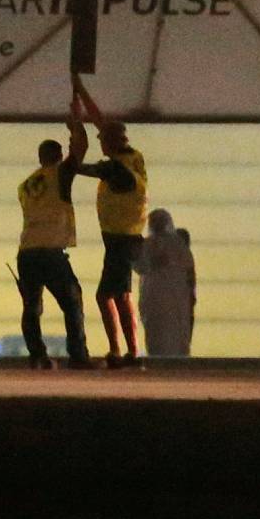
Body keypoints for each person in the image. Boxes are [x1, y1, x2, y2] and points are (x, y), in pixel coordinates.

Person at [71, 95, 146, 366]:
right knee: (123, 295)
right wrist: (81, 92)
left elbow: (83, 168)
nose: (100, 143)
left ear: (111, 143)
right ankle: (133, 352)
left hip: (120, 240)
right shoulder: (133, 157)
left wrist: (71, 157)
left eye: (103, 141)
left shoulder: (116, 168)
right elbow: (102, 123)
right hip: (129, 237)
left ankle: (117, 352)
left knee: (105, 296)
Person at [14, 131, 92, 368]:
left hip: (27, 251)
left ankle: (37, 356)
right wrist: (76, 125)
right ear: (59, 156)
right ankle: (78, 356)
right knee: (72, 302)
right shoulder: (60, 173)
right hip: (50, 251)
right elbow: (81, 148)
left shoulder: (25, 185)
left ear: (40, 158)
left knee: (32, 307)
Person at [139, 208, 195, 358]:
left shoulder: (147, 244)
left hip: (156, 298)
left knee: (159, 333)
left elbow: (139, 266)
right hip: (175, 299)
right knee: (172, 333)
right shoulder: (178, 245)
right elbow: (189, 270)